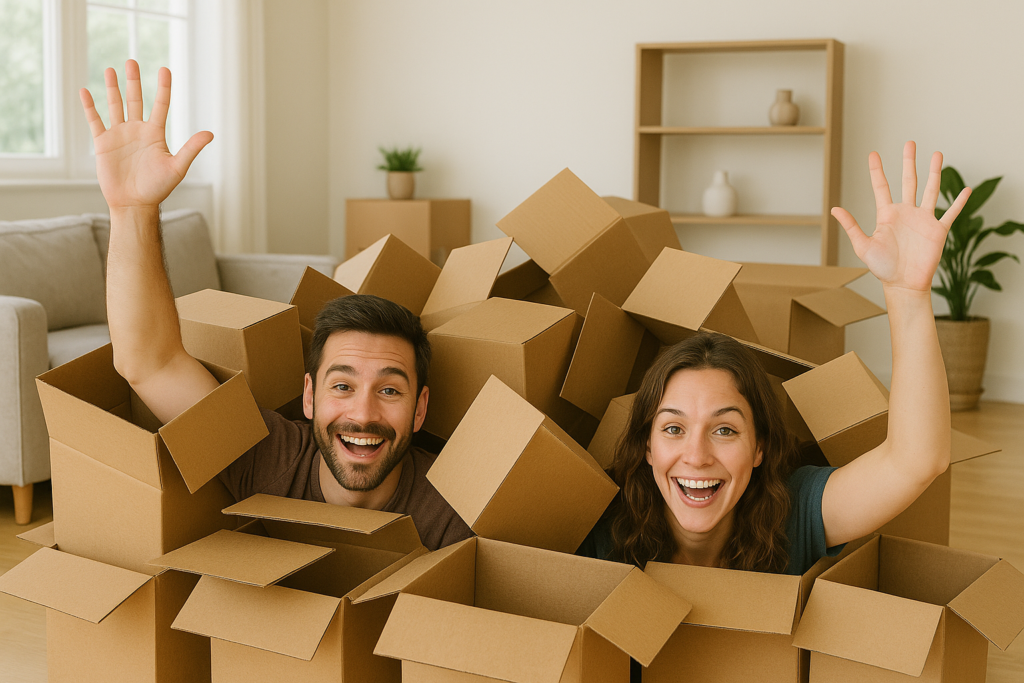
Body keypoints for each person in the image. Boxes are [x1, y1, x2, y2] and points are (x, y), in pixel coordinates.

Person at [80, 60, 472, 551]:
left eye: (390, 391)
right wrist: (132, 210)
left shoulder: (455, 513)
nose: (363, 413)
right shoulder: (270, 458)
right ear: (308, 398)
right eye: (343, 384)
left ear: (420, 410)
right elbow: (149, 363)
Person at [579, 141, 970, 575]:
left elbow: (916, 461)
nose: (696, 455)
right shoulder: (606, 529)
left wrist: (907, 294)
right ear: (648, 448)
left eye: (725, 429)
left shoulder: (793, 513)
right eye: (673, 428)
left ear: (759, 448)